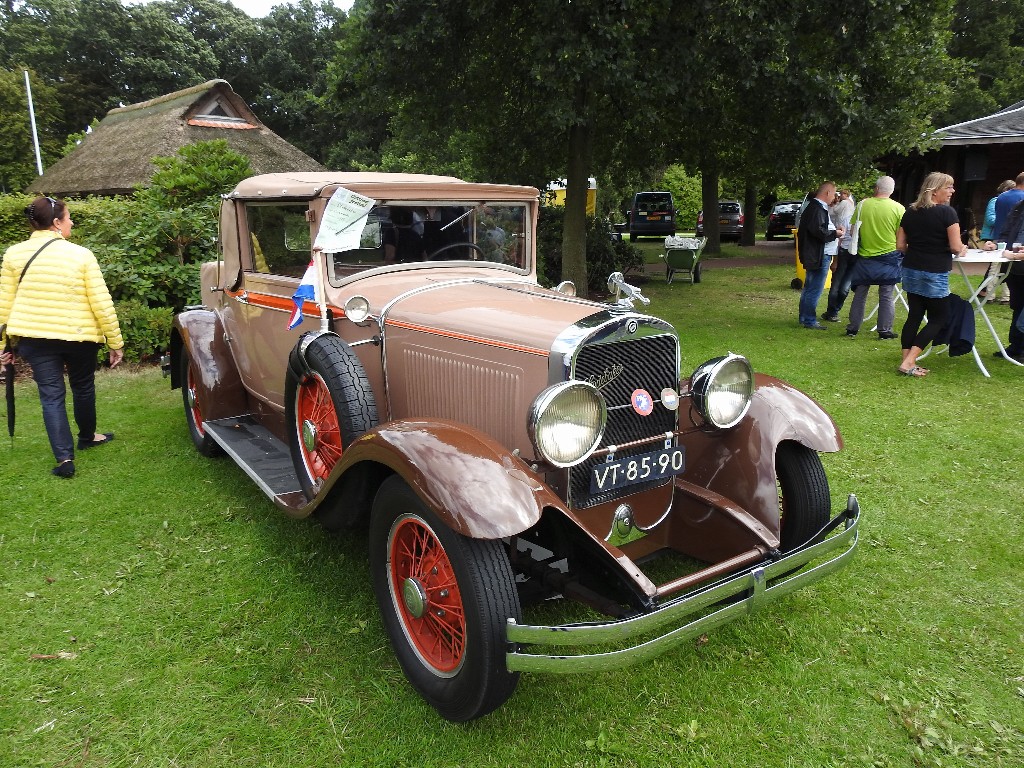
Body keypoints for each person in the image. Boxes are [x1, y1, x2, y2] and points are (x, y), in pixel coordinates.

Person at [0, 196, 124, 478]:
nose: (71, 222)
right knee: (83, 386)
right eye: (68, 218)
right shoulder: (81, 254)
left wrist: (2, 346)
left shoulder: (13, 254)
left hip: (35, 338)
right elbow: (101, 302)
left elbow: (3, 305)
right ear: (56, 223)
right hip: (79, 336)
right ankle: (87, 436)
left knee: (51, 396)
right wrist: (115, 342)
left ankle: (65, 460)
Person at [894, 173, 967, 377]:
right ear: (935, 190)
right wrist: (962, 249)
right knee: (939, 318)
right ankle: (909, 361)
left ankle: (906, 361)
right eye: (949, 187)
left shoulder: (910, 212)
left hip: (911, 268)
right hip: (935, 270)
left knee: (914, 316)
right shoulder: (947, 213)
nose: (952, 191)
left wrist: (918, 251)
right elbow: (955, 246)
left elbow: (900, 245)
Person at [844, 176, 905, 339]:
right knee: (886, 295)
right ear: (892, 190)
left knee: (860, 293)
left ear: (876, 188)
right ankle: (884, 330)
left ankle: (853, 327)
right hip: (889, 256)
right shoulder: (899, 209)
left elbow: (852, 231)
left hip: (865, 255)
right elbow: (901, 237)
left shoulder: (862, 205)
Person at [796, 181, 843, 329]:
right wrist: (835, 233)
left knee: (809, 287)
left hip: (816, 253)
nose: (834, 197)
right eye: (834, 193)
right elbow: (819, 232)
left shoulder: (815, 207)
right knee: (814, 288)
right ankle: (809, 319)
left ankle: (804, 317)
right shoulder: (817, 209)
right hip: (819, 255)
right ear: (827, 193)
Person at [822, 189, 856, 322]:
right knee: (836, 285)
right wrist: (835, 260)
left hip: (854, 254)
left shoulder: (857, 221)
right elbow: (838, 240)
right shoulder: (842, 221)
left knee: (844, 287)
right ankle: (832, 312)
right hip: (842, 253)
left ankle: (833, 310)